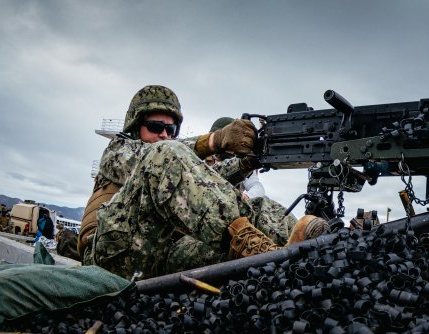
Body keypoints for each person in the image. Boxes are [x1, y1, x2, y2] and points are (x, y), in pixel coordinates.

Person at [79, 85, 328, 279]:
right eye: (155, 126)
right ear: (135, 126)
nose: (164, 134)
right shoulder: (117, 151)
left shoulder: (166, 157)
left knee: (258, 207)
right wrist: (214, 140)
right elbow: (164, 158)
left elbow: (205, 181)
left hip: (159, 254)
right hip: (108, 256)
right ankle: (262, 256)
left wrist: (245, 163)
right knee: (166, 154)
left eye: (171, 129)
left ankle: (309, 251)